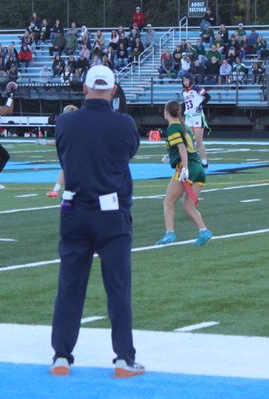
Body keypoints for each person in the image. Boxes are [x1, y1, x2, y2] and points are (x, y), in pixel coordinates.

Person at [49, 65, 143, 378]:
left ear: (85, 90)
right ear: (114, 91)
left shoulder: (65, 122)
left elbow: (65, 157)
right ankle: (123, 359)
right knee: (118, 288)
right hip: (111, 214)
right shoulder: (125, 124)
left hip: (74, 210)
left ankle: (61, 356)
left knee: (69, 288)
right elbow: (126, 155)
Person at [155, 100, 211, 246]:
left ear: (166, 112)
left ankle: (170, 233)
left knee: (168, 201)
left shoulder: (173, 127)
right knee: (188, 206)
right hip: (198, 168)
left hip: (188, 168)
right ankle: (204, 231)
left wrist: (184, 168)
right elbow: (186, 147)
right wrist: (171, 157)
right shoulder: (184, 125)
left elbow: (181, 148)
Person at [41, 105, 78, 198]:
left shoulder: (70, 126)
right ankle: (56, 190)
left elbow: (59, 141)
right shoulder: (75, 125)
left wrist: (45, 143)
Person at [181, 76, 210, 167]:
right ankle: (190, 161)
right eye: (184, 80)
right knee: (187, 140)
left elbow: (208, 96)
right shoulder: (183, 92)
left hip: (197, 116)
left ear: (191, 80)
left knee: (198, 141)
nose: (185, 82)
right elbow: (185, 105)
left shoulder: (197, 89)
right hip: (188, 117)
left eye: (187, 80)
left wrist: (201, 105)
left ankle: (204, 162)